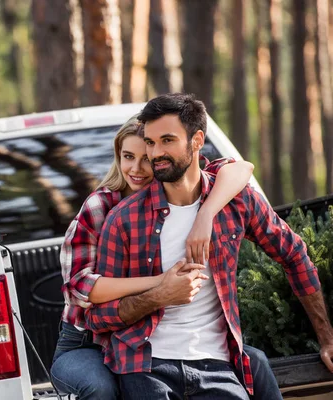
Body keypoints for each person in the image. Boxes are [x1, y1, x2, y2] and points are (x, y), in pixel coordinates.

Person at [85, 93, 333, 400]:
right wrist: (159, 296)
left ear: (197, 140)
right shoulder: (123, 219)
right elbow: (97, 317)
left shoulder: (235, 202)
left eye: (167, 140)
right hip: (145, 367)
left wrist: (327, 338)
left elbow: (294, 255)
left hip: (216, 366)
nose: (155, 153)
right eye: (150, 142)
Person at [51, 117, 276, 400]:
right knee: (102, 388)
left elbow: (242, 168)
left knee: (255, 362)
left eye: (146, 159)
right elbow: (80, 287)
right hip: (86, 343)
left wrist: (206, 213)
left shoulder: (175, 190)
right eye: (127, 157)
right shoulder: (103, 206)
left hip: (142, 337)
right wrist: (161, 284)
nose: (136, 169)